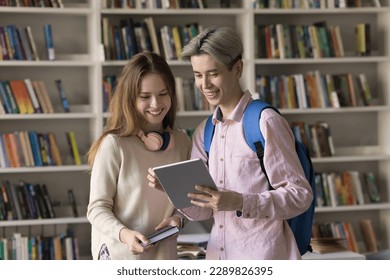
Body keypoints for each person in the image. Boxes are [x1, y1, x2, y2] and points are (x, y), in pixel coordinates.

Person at [148, 26, 313, 260]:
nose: (204, 85)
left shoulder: (265, 122)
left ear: (237, 69)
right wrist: (172, 189)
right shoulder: (205, 132)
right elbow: (202, 211)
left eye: (213, 73)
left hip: (265, 256)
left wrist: (240, 201)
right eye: (197, 75)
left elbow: (299, 195)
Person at [86, 51, 191, 260]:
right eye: (145, 97)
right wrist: (125, 235)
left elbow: (188, 202)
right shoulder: (114, 145)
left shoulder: (182, 143)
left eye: (163, 94)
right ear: (131, 98)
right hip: (120, 256)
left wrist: (179, 219)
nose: (156, 104)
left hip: (164, 257)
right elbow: (97, 209)